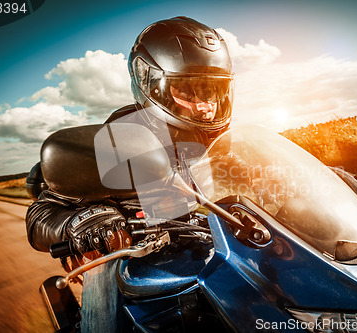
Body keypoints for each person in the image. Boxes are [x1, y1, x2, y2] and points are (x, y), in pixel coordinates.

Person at [25, 16, 234, 333]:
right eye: (188, 90)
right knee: (105, 305)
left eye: (212, 90)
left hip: (209, 254)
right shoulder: (120, 137)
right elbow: (41, 213)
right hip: (132, 260)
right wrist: (84, 222)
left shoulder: (221, 139)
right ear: (152, 85)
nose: (205, 106)